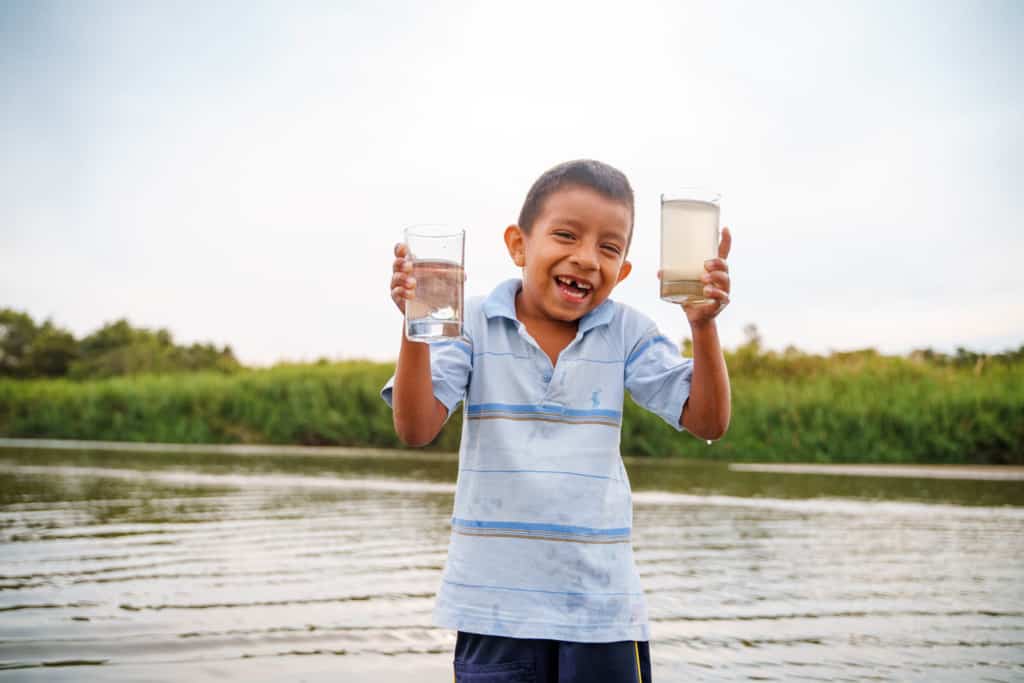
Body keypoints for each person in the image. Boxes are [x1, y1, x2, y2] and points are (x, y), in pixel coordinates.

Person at [382, 159, 732, 682]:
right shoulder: (472, 322)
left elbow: (707, 421)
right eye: (566, 235)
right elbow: (416, 428)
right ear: (518, 245)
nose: (586, 258)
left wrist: (703, 327)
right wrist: (415, 325)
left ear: (624, 271)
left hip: (602, 613)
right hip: (493, 609)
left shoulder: (626, 332)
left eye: (609, 247)